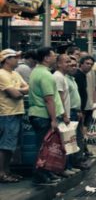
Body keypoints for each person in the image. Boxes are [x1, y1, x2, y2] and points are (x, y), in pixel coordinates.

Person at [28, 47, 64, 185]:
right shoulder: (45, 75)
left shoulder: (37, 72)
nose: (55, 58)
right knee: (43, 148)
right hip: (43, 116)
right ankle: (39, 176)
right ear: (46, 58)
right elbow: (49, 99)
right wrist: (54, 119)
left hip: (38, 114)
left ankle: (46, 172)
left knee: (46, 147)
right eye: (53, 55)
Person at [0, 49, 29, 183]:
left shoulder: (15, 74)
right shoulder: (2, 74)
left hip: (16, 112)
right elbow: (16, 94)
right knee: (5, 145)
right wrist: (19, 90)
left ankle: (7, 171)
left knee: (11, 146)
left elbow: (28, 87)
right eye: (15, 57)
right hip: (6, 113)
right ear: (6, 59)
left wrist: (18, 90)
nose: (18, 60)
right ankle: (2, 173)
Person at [65, 56, 86, 170]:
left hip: (76, 111)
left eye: (75, 65)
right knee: (70, 140)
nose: (74, 68)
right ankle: (70, 164)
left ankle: (76, 161)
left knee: (77, 138)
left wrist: (79, 110)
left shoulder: (72, 79)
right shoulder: (64, 79)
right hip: (70, 113)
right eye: (71, 65)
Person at [74, 56, 95, 158]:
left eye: (91, 64)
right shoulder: (78, 75)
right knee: (79, 134)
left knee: (82, 133)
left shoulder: (85, 75)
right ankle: (79, 157)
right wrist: (80, 110)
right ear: (81, 64)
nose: (89, 66)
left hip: (84, 108)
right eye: (87, 63)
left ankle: (82, 153)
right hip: (79, 109)